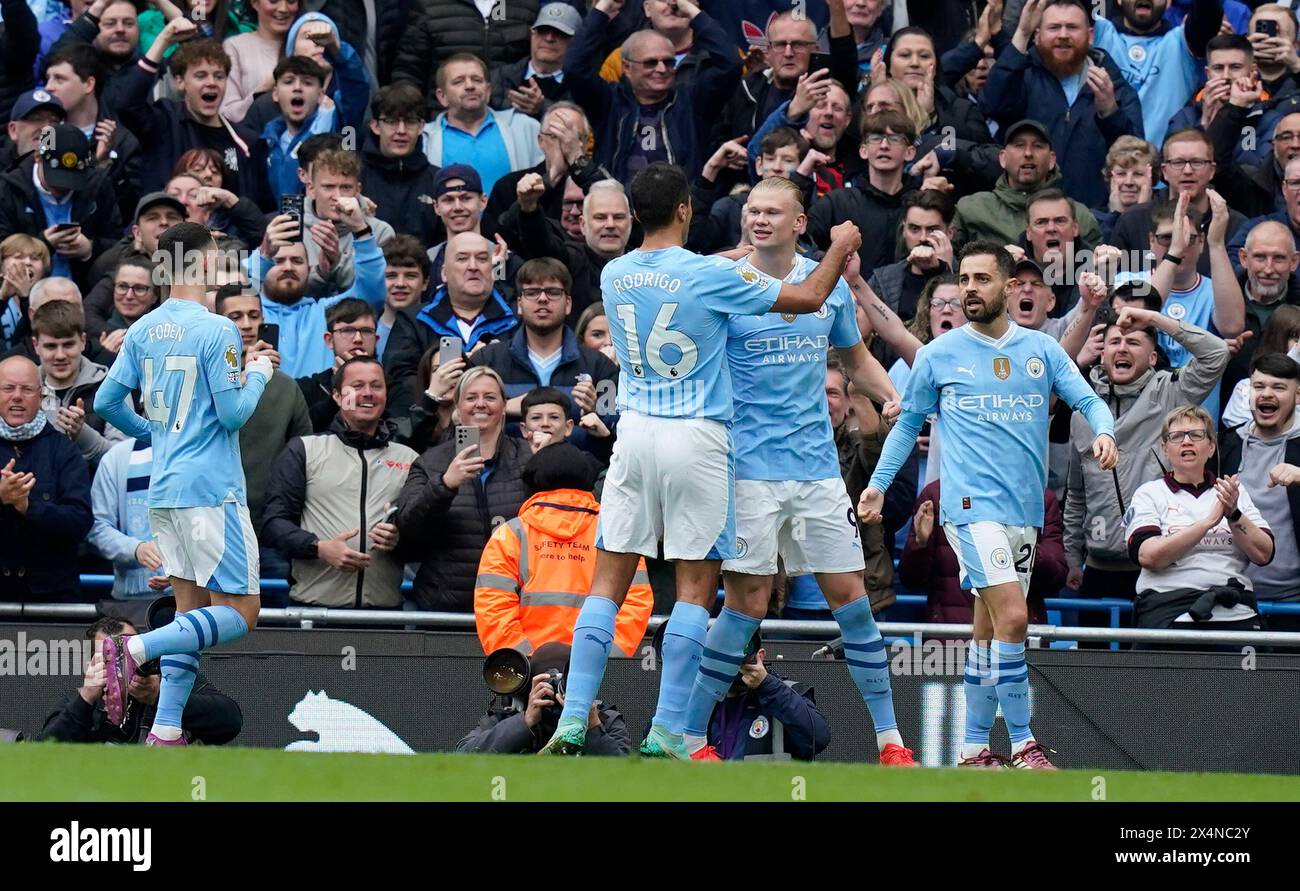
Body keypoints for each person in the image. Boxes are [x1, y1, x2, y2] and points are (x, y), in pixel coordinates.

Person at [538, 161, 862, 758]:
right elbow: (812, 294)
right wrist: (839, 245)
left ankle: (572, 719)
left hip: (633, 435)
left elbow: (686, 275)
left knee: (605, 586)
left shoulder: (615, 274)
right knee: (693, 591)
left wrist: (735, 252)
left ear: (634, 215)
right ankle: (666, 729)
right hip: (698, 439)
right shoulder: (710, 278)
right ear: (687, 209)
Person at [678, 176, 912, 765]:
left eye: (772, 211)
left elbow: (855, 358)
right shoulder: (725, 281)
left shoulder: (827, 286)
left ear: (800, 222)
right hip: (747, 471)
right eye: (752, 210)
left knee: (852, 599)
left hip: (816, 471)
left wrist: (890, 396)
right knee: (745, 606)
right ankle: (687, 739)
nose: (758, 219)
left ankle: (890, 741)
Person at [859, 241, 1118, 769]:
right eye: (965, 280)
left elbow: (1087, 399)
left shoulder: (1041, 351)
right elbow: (908, 423)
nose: (970, 290)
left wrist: (1106, 432)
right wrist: (880, 484)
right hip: (970, 511)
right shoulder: (938, 354)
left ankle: (975, 748)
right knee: (1016, 617)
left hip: (1023, 513)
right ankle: (1023, 742)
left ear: (1008, 286)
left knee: (988, 628)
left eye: (981, 280)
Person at [94, 221, 274, 746]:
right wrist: (259, 371)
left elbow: (106, 403)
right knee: (240, 613)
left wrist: (152, 433)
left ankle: (166, 729)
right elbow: (234, 413)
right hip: (211, 490)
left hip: (164, 490)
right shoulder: (217, 329)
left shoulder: (145, 327)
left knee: (190, 611)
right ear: (198, 263)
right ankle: (133, 650)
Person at [1064, 305, 1230, 604]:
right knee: (1091, 653)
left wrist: (1154, 318)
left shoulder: (1172, 393)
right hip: (1098, 569)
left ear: (1153, 357)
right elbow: (1076, 494)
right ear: (1102, 354)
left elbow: (1216, 353)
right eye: (1115, 342)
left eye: (1133, 342)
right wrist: (1072, 557)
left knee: (1150, 653)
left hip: (1163, 568)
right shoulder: (1082, 412)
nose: (1122, 348)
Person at [263, 355, 414, 608]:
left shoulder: (409, 459)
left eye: (376, 386)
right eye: (357, 386)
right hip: (313, 611)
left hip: (386, 615)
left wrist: (400, 540)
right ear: (336, 396)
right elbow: (273, 523)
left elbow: (426, 537)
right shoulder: (304, 450)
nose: (368, 393)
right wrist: (318, 548)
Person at [475, 441, 652, 655]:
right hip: (595, 672)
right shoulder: (614, 535)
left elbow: (494, 608)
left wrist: (524, 663)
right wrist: (605, 660)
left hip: (528, 675)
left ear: (533, 482)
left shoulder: (511, 534)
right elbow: (635, 605)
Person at [1126, 405, 1273, 639]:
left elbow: (1264, 554)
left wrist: (1234, 513)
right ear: (1165, 448)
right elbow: (1148, 556)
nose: (1186, 442)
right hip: (1170, 614)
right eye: (1176, 436)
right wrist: (1208, 522)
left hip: (1236, 614)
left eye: (1196, 435)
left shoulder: (1233, 492)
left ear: (1212, 446)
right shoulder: (1149, 493)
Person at [981, 0, 1144, 209]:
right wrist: (1021, 34)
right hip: (1027, 214)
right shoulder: (1021, 75)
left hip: (1096, 216)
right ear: (1037, 35)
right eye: (1054, 27)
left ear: (1090, 36)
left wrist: (1110, 111)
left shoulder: (1112, 83)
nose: (1063, 35)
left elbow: (1136, 154)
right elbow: (992, 104)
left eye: (1072, 27)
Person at [396, 366, 530, 612]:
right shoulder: (430, 461)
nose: (481, 404)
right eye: (471, 397)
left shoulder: (529, 456)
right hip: (446, 606)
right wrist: (444, 485)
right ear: (457, 406)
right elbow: (408, 529)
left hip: (514, 605)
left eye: (490, 397)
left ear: (503, 405)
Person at [563, 0, 741, 185]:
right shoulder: (609, 103)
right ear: (627, 67)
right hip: (619, 209)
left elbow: (731, 64)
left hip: (682, 209)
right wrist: (604, 8)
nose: (662, 69)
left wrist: (690, 10)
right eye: (650, 63)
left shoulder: (692, 101)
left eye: (669, 62)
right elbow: (574, 68)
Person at [215, 286, 311, 589]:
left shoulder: (284, 387)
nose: (246, 324)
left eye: (254, 315)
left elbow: (305, 455)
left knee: (275, 628)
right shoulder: (202, 379)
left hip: (270, 531)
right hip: (212, 528)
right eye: (235, 316)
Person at [115, 22, 268, 205]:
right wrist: (163, 40)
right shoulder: (164, 121)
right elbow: (126, 104)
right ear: (180, 82)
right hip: (170, 230)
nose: (211, 83)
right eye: (200, 75)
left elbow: (257, 205)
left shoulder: (247, 142)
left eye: (219, 76)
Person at [39, 615, 242, 744]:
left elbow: (230, 722)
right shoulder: (81, 701)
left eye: (131, 651)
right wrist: (86, 698)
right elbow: (43, 755)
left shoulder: (173, 679)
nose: (123, 662)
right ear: (92, 663)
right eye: (111, 655)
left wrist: (161, 696)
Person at [382, 231, 519, 417]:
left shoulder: (517, 319)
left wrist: (481, 364)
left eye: (482, 259)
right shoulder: (413, 320)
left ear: (493, 269)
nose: (473, 266)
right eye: (462, 259)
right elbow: (399, 386)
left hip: (500, 431)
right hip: (432, 434)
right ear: (444, 273)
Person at [466, 258, 619, 424]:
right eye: (532, 293)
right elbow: (462, 421)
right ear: (519, 304)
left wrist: (596, 411)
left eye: (553, 292)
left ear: (568, 304)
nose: (543, 299)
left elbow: (616, 431)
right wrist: (505, 407)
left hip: (577, 450)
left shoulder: (600, 366)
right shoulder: (486, 360)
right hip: (507, 450)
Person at [243, 201, 385, 378]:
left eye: (297, 261)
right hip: (262, 403)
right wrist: (263, 255)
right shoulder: (247, 312)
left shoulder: (326, 311)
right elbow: (229, 292)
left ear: (309, 269)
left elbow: (372, 293)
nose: (288, 267)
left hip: (318, 401)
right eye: (277, 261)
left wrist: (361, 230)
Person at [901, 482, 1066, 626]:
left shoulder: (1038, 497)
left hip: (1017, 637)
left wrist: (1021, 544)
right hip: (951, 638)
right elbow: (912, 580)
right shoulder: (936, 495)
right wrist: (920, 543)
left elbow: (1054, 580)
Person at [0, 354, 93, 602]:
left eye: (27, 389)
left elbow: (80, 523)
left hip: (53, 601)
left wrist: (28, 506)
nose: (17, 396)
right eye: (8, 388)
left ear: (41, 396)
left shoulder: (64, 450)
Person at [1219, 353, 1300, 629]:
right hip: (1233, 599)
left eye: (1278, 387)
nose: (1267, 394)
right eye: (1259, 386)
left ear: (1298, 395)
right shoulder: (1227, 443)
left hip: (1294, 603)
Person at [0, 121, 121, 288]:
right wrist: (43, 245)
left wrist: (90, 249)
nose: (63, 187)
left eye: (72, 179)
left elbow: (119, 245)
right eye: (56, 178)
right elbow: (3, 250)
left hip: (84, 293)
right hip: (25, 293)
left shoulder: (97, 185)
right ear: (37, 157)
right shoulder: (8, 189)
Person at [457, 641, 631, 756]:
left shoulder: (604, 719)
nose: (553, 691)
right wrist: (524, 722)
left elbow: (625, 774)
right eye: (545, 683)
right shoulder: (507, 718)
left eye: (562, 683)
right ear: (529, 688)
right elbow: (463, 756)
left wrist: (592, 726)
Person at [499, 174, 631, 323]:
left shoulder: (648, 266)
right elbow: (542, 245)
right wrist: (529, 208)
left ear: (631, 223)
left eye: (618, 217)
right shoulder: (573, 260)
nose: (610, 225)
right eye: (600, 217)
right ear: (583, 224)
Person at [1089, 0, 1223, 146]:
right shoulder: (1098, 32)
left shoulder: (1182, 43)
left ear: (1168, 2)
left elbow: (1207, 15)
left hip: (1165, 164)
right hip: (1105, 163)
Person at [40, 42, 143, 224]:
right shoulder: (44, 133)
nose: (49, 87)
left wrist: (104, 164)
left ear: (88, 84)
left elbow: (129, 212)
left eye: (59, 79)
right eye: (48, 79)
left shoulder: (120, 141)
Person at [692, 629, 831, 761]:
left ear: (760, 655)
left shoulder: (785, 692)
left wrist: (767, 685)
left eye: (743, 649)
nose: (733, 661)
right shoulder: (699, 699)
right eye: (724, 652)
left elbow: (818, 738)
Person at [421, 53, 543, 198]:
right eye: (458, 81)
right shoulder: (424, 139)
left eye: (477, 80)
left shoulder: (525, 128)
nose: (470, 86)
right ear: (442, 96)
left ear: (488, 91)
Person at [393, 0, 540, 110]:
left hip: (508, 123)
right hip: (443, 123)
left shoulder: (526, 6)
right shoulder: (430, 5)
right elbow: (409, 69)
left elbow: (538, 67)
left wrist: (538, 103)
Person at [32, 299, 122, 466]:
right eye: (51, 346)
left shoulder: (112, 387)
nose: (60, 355)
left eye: (68, 345)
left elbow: (123, 462)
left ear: (83, 341)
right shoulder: (22, 390)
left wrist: (83, 435)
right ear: (36, 345)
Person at [360, 83, 443, 247]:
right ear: (375, 126)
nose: (401, 130)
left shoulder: (437, 180)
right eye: (391, 121)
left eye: (410, 121)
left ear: (421, 127)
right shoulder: (355, 177)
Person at [88, 438, 165, 600]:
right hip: (132, 600)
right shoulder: (116, 457)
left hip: (194, 593)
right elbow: (97, 527)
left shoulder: (203, 452)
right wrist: (135, 549)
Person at [296, 297, 376, 432]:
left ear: (376, 340)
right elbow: (304, 430)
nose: (358, 339)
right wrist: (342, 389)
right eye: (347, 330)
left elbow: (398, 429)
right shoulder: (306, 388)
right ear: (329, 340)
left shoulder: (390, 386)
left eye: (366, 331)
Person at [489, 3, 580, 119]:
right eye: (542, 30)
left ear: (576, 41)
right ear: (532, 34)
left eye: (560, 33)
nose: (549, 38)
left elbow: (584, 129)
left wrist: (542, 108)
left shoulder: (583, 86)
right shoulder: (498, 77)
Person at [220, 0, 301, 123]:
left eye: (291, 1)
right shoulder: (235, 46)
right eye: (273, 1)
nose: (283, 9)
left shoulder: (307, 46)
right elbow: (228, 113)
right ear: (255, 3)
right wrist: (264, 88)